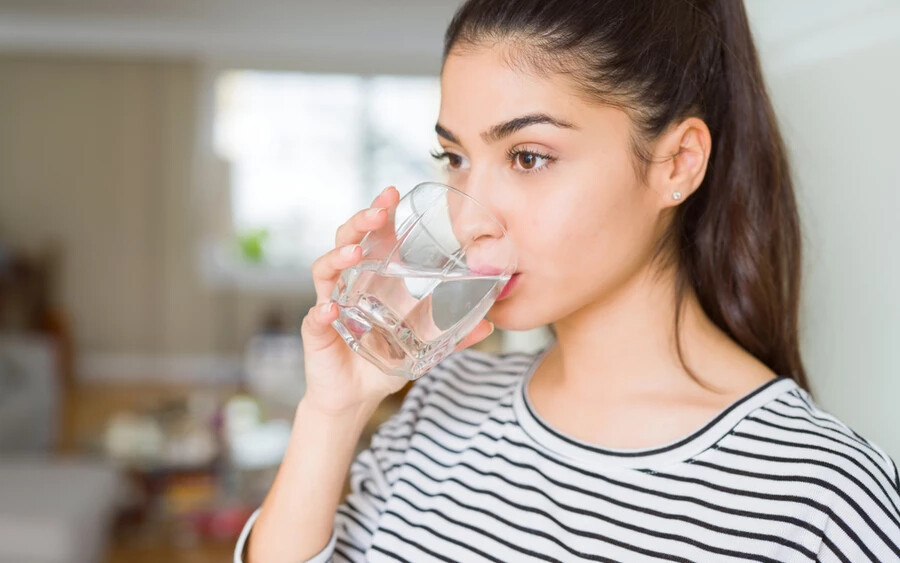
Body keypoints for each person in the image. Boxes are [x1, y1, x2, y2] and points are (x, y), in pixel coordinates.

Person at [235, 0, 900, 561]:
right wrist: (333, 409)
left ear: (677, 163)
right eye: (456, 158)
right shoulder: (445, 399)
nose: (471, 221)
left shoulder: (821, 498)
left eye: (528, 156)